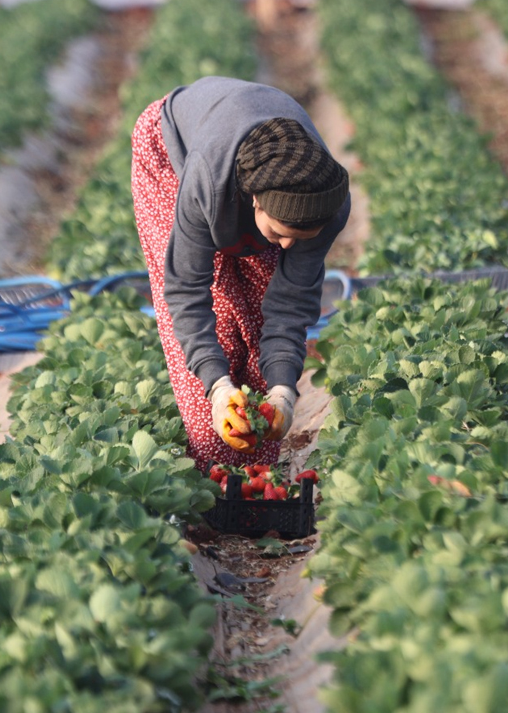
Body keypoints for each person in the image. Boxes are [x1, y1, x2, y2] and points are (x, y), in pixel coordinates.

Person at [130, 76, 350, 471]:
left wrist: (283, 391)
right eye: (280, 233)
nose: (285, 248)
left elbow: (291, 302)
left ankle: (254, 471)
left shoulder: (326, 203)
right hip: (171, 154)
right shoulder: (208, 182)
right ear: (254, 202)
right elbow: (184, 291)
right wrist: (217, 387)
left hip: (244, 163)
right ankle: (214, 474)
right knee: (218, 302)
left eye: (298, 239)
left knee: (258, 308)